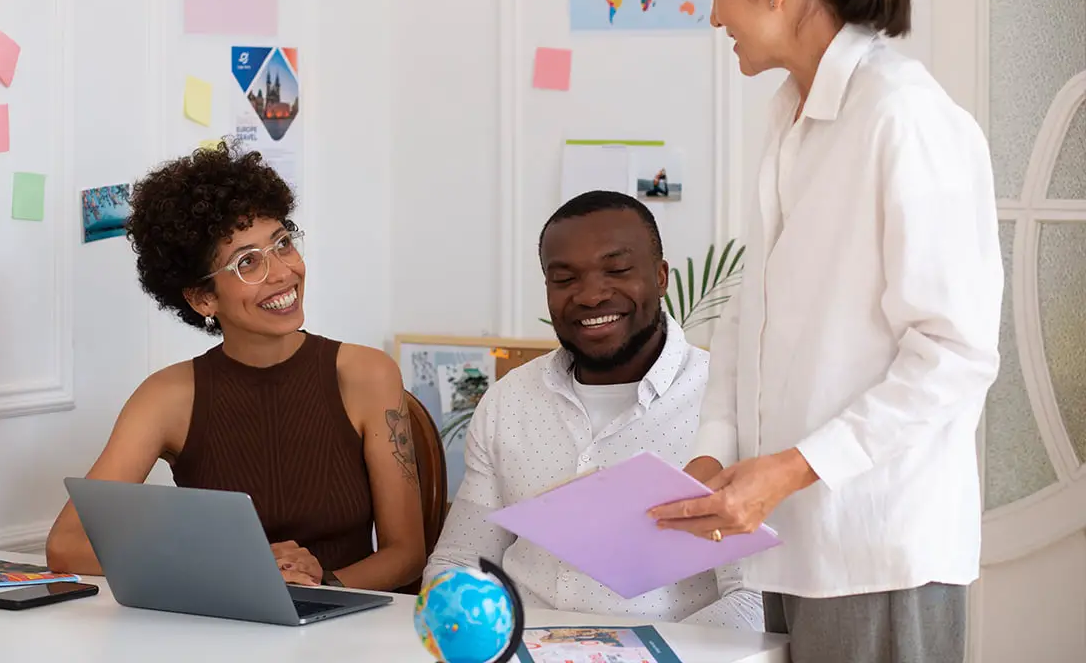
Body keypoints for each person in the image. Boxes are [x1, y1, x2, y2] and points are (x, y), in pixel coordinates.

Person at [646, 0, 1004, 662]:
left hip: (879, 547)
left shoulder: (905, 118)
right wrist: (715, 445)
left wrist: (795, 467)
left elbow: (955, 352)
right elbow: (752, 310)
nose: (713, 16)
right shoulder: (790, 121)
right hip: (793, 546)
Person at [46, 142, 426, 592]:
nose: (283, 272)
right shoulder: (167, 397)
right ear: (202, 298)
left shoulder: (367, 373)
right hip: (222, 635)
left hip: (348, 631)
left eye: (282, 243)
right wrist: (231, 570)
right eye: (247, 262)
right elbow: (66, 546)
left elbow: (406, 555)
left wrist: (320, 587)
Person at [424, 190, 764, 630]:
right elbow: (460, 560)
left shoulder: (729, 404)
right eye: (564, 279)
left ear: (661, 277)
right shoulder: (509, 401)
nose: (589, 296)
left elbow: (753, 602)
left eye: (617, 270)